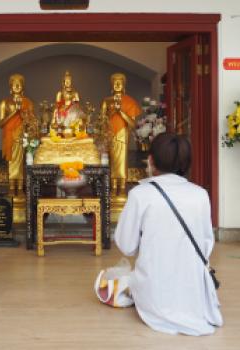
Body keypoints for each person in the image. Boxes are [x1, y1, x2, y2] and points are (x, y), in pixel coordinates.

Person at [114, 132, 223, 335]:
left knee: (112, 279)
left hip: (156, 292)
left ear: (151, 160)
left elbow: (126, 246)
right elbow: (206, 245)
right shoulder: (200, 194)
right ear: (185, 162)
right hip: (193, 291)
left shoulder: (140, 194)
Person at [101, 73, 141, 196]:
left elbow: (133, 124)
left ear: (124, 85)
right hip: (110, 133)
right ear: (112, 85)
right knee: (111, 160)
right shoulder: (107, 101)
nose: (117, 84)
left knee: (122, 160)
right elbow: (102, 121)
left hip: (123, 133)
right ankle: (113, 186)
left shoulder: (130, 102)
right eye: (115, 82)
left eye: (120, 82)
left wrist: (121, 111)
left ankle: (122, 186)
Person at [0, 73, 34, 197]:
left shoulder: (28, 102)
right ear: (10, 86)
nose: (17, 86)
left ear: (23, 86)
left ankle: (20, 187)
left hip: (23, 136)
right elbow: (1, 123)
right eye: (14, 84)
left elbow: (31, 121)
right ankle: (11, 186)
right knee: (12, 161)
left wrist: (25, 121)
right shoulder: (5, 102)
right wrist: (15, 112)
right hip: (10, 136)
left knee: (23, 162)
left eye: (19, 84)